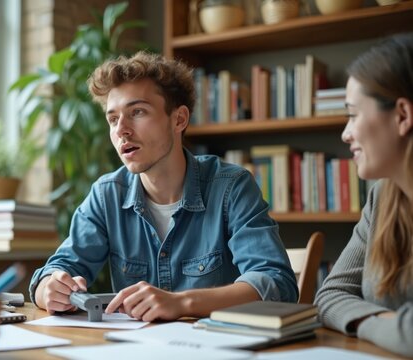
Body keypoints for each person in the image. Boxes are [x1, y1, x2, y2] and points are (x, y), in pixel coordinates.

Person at [30, 51, 298, 321]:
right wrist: (49, 288)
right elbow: (57, 270)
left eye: (137, 112)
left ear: (179, 119)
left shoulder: (231, 187)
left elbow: (276, 283)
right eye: (113, 119)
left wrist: (182, 302)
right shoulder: (107, 194)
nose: (121, 130)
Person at [315, 33, 413, 357]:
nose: (345, 133)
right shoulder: (382, 198)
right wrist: (393, 325)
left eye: (354, 114)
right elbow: (329, 296)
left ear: (402, 116)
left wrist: (365, 320)